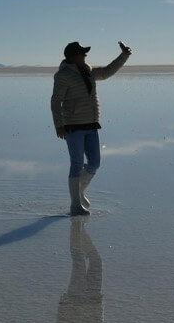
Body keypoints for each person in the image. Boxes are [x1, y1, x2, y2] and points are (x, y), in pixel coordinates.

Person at [52, 39, 132, 215]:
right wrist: (59, 124)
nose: (85, 55)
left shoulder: (88, 71)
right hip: (73, 125)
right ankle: (75, 205)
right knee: (76, 164)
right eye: (82, 53)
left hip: (91, 123)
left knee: (94, 163)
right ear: (73, 57)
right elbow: (55, 101)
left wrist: (123, 55)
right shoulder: (63, 75)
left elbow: (107, 72)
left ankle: (79, 191)